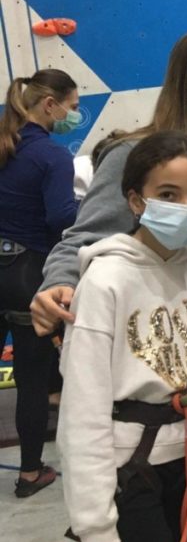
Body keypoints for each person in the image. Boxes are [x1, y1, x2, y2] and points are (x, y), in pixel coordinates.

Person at [58, 131, 187, 542]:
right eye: (168, 194)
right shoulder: (106, 281)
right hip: (128, 468)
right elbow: (82, 412)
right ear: (136, 200)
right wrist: (97, 530)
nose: (185, 207)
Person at [30, 27, 187, 338]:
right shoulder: (133, 154)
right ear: (182, 83)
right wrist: (59, 282)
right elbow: (84, 239)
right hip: (149, 327)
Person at [0, 69, 80, 497]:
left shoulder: (5, 145)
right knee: (31, 378)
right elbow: (61, 219)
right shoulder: (52, 156)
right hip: (26, 272)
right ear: (50, 106)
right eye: (73, 105)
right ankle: (30, 474)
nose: (75, 113)